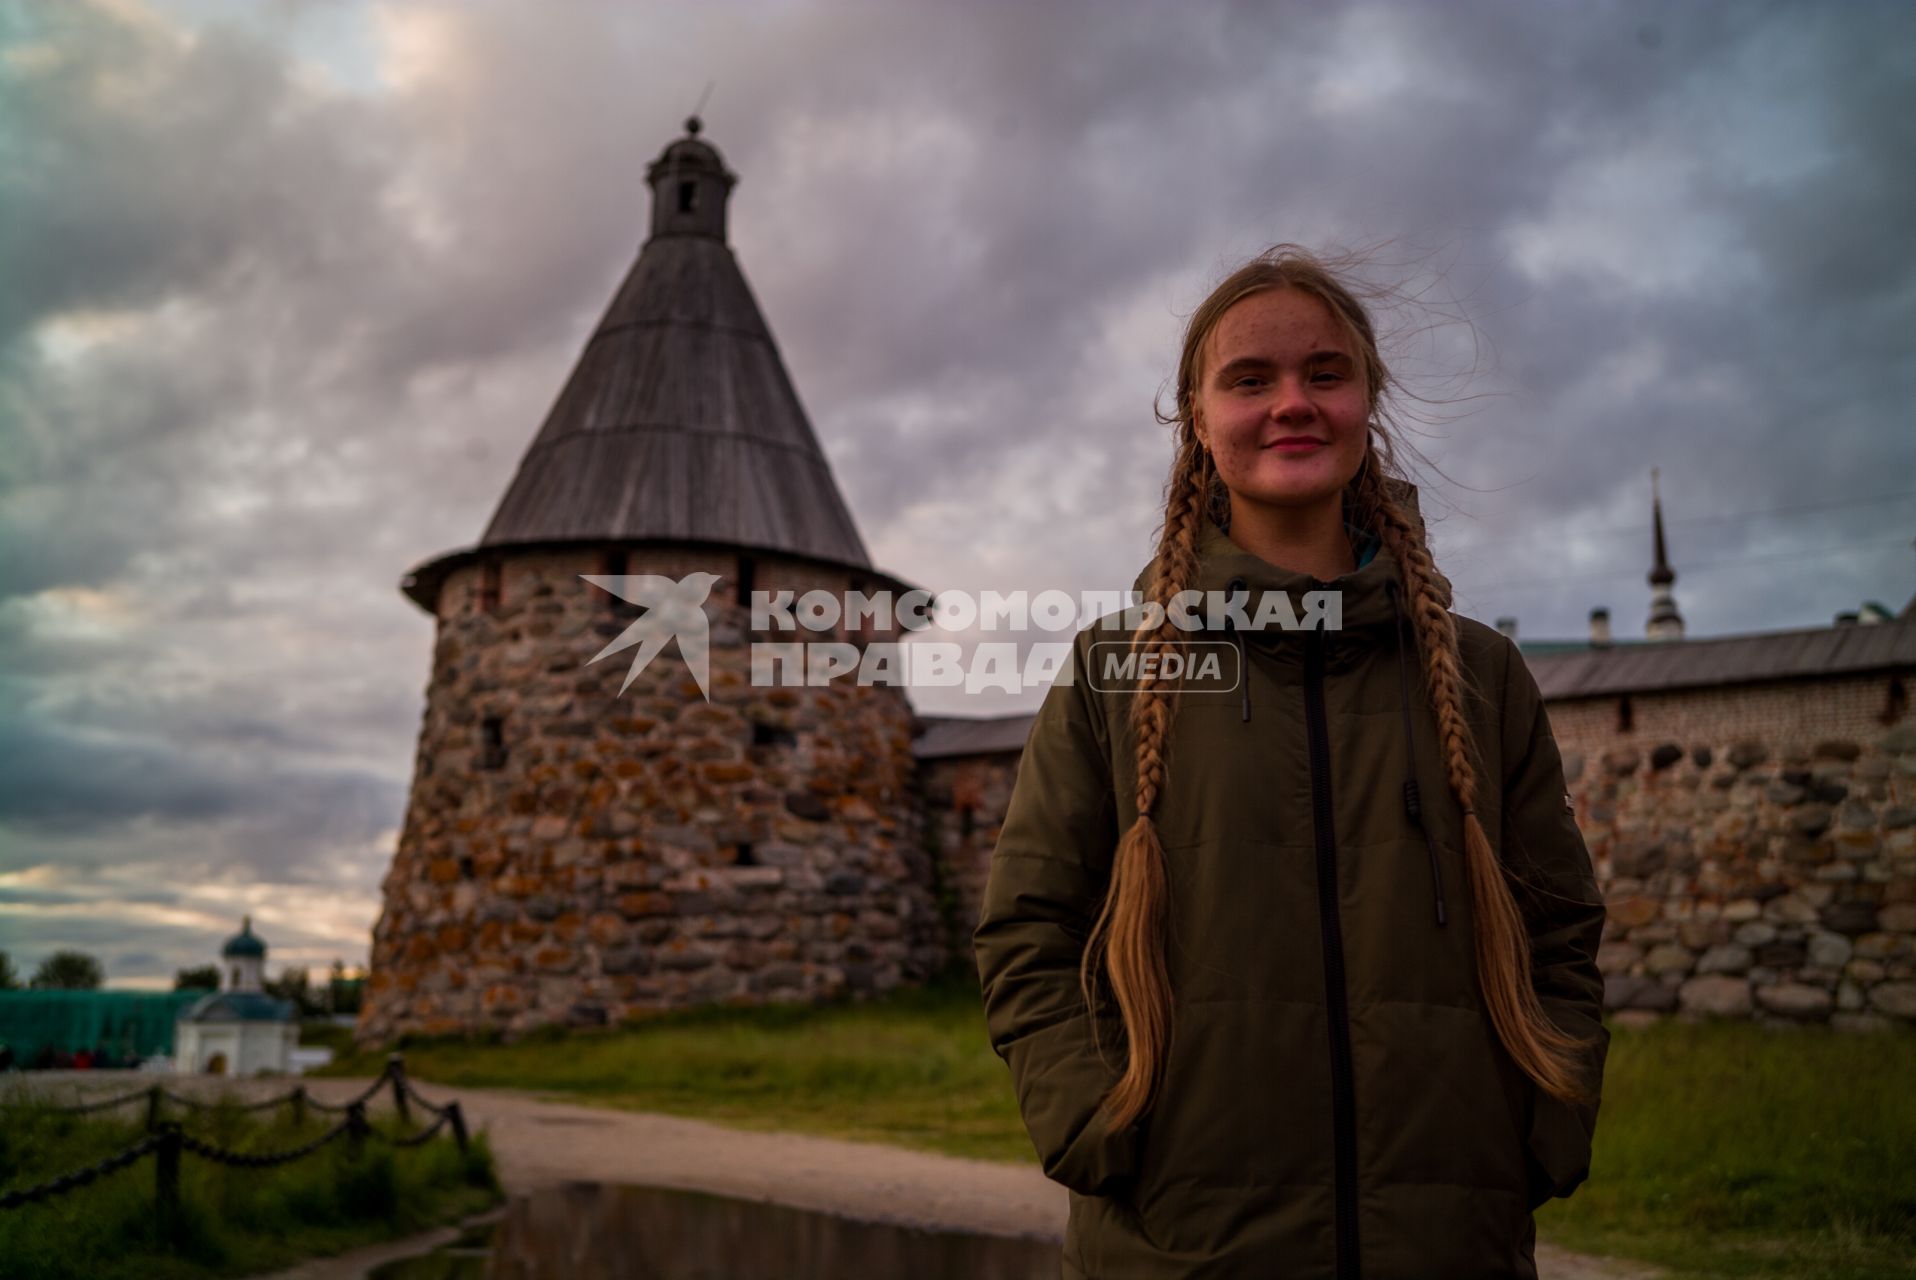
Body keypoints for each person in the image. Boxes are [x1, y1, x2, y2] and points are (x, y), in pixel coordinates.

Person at [973, 245, 1608, 1279]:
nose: (1291, 404)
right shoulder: (1111, 667)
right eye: (1248, 378)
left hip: (1448, 1244)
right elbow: (1027, 932)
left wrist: (1536, 1122)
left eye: (1324, 372)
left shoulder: (1479, 672)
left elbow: (1560, 930)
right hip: (1181, 1251)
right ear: (1195, 418)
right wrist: (1100, 1121)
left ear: (1367, 401)